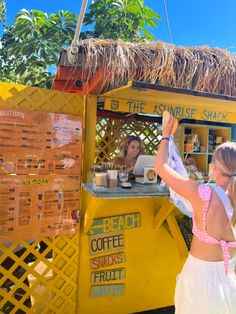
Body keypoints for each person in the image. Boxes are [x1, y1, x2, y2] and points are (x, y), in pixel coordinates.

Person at [155, 115, 236, 314]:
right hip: (229, 281)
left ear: (215, 167)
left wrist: (166, 136)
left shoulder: (204, 195)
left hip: (200, 282)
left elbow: (161, 168)